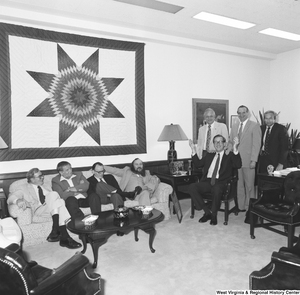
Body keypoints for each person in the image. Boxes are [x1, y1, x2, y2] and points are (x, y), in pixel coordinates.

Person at [7, 168, 81, 249]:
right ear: (32, 179)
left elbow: (55, 199)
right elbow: (11, 197)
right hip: (38, 210)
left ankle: (60, 234)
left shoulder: (46, 186)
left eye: (42, 175)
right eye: (40, 176)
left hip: (51, 209)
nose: (42, 177)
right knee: (55, 197)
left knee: (59, 201)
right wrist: (17, 200)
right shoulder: (23, 187)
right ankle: (60, 232)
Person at [187, 135, 242, 225]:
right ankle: (207, 212)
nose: (218, 144)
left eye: (220, 141)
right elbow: (198, 164)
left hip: (221, 182)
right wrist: (193, 149)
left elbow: (238, 165)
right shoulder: (209, 155)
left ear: (224, 144)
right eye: (216, 142)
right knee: (192, 187)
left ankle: (214, 215)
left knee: (216, 188)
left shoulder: (229, 155)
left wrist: (235, 148)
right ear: (213, 144)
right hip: (208, 181)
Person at [229, 105, 261, 212]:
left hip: (249, 161)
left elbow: (256, 145)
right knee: (239, 185)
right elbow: (230, 142)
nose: (241, 115)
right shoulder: (234, 126)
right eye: (239, 113)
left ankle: (250, 208)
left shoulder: (254, 126)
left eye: (243, 113)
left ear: (248, 114)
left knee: (249, 186)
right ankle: (241, 206)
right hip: (236, 161)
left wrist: (254, 160)